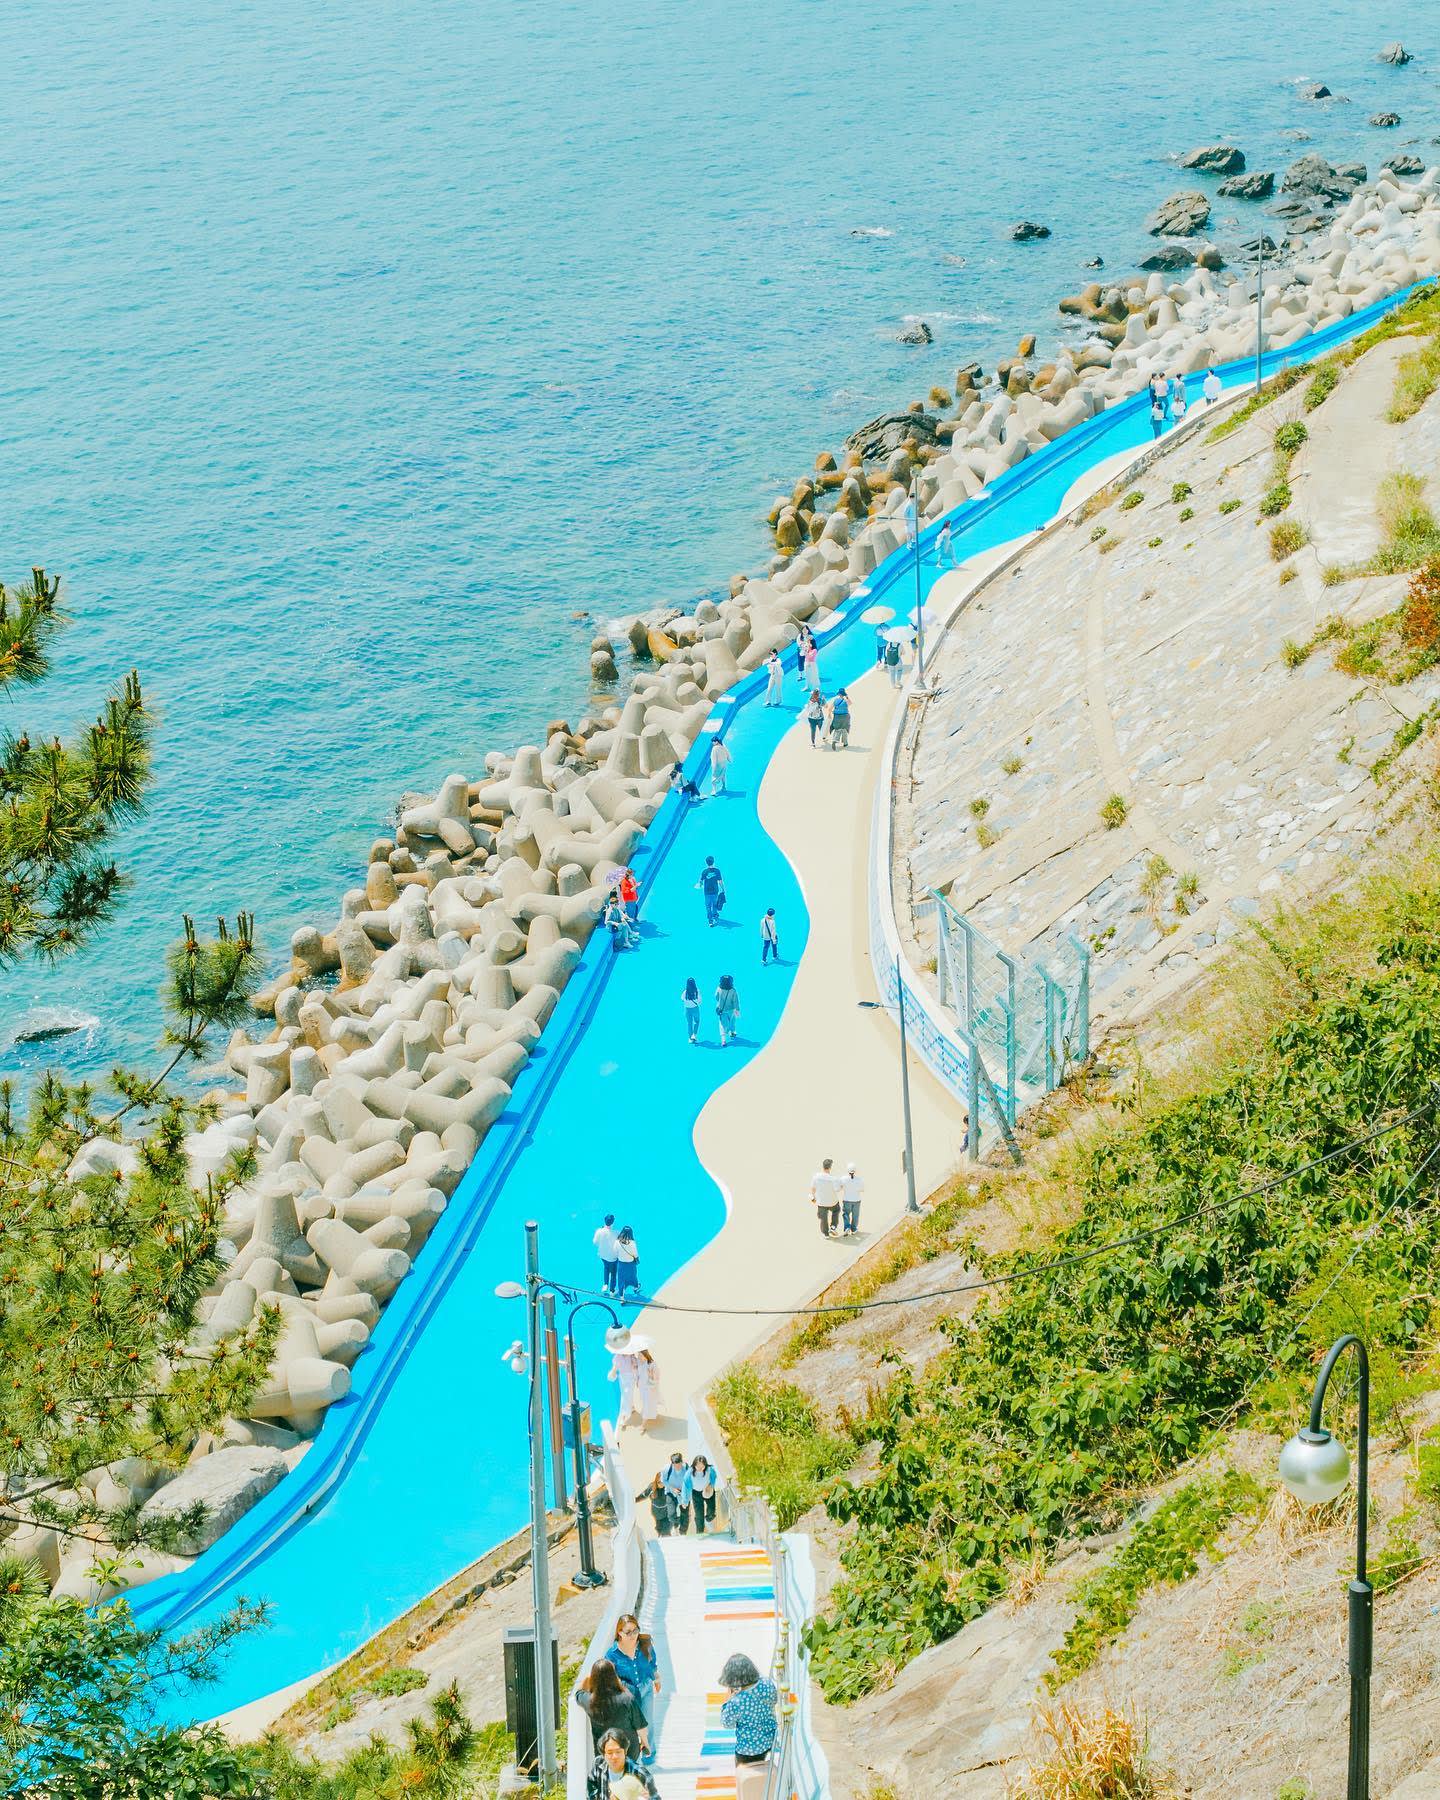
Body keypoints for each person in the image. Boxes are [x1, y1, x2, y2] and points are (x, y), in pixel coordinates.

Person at [577, 1663, 649, 1761]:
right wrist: (646, 1744)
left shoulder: (589, 1701)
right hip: (629, 1752)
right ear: (614, 1675)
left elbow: (579, 1693)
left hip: (606, 1753)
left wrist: (588, 1678)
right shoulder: (626, 1698)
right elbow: (640, 1727)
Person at [605, 1616, 661, 1738]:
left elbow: (652, 1663)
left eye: (635, 1630)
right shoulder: (612, 1654)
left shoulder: (645, 1644)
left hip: (646, 1688)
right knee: (631, 1728)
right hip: (627, 1692)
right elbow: (610, 1676)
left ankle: (649, 1750)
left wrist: (657, 1679)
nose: (633, 1635)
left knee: (648, 1724)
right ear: (620, 1632)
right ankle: (635, 1751)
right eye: (628, 1632)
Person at [718, 1653, 779, 1767]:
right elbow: (774, 1700)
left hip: (747, 1749)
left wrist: (728, 1699)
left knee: (742, 1770)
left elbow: (726, 1723)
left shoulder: (736, 1701)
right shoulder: (767, 1684)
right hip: (769, 1740)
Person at [587, 1730, 658, 1800]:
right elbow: (592, 1787)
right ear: (604, 1754)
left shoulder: (642, 1774)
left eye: (618, 1752)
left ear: (625, 1751)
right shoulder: (598, 1764)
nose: (614, 1756)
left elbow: (654, 1797)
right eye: (610, 1753)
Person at [661, 1449, 692, 1533]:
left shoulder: (687, 1468)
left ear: (682, 1462)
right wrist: (673, 1489)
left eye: (679, 1465)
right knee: (671, 1516)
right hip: (671, 1492)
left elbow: (690, 1482)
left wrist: (686, 1498)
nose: (678, 1467)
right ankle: (678, 1523)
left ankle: (683, 1532)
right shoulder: (666, 1469)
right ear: (672, 1464)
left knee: (685, 1514)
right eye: (675, 1465)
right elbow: (663, 1481)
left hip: (683, 1493)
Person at [810, 1157, 842, 1237]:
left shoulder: (816, 1177)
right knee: (836, 1210)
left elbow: (813, 1189)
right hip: (832, 1202)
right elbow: (837, 1189)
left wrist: (813, 1197)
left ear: (823, 1166)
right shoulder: (834, 1179)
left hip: (821, 1202)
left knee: (823, 1218)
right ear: (830, 1167)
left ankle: (826, 1234)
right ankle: (833, 1227)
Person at [689, 1455, 718, 1534]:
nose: (700, 1469)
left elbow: (714, 1477)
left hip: (708, 1490)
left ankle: (708, 1520)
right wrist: (685, 1499)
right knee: (699, 1515)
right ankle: (700, 1531)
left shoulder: (710, 1469)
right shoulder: (690, 1472)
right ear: (694, 1465)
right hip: (696, 1493)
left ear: (705, 1465)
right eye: (698, 1466)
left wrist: (711, 1485)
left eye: (702, 1467)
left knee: (711, 1510)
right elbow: (686, 1484)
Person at [614, 1226, 641, 1302]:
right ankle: (635, 1287)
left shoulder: (617, 1242)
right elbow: (635, 1254)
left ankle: (622, 1297)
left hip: (621, 1263)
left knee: (621, 1279)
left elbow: (615, 1251)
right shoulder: (632, 1243)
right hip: (630, 1263)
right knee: (633, 1275)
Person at [594, 1214, 620, 1295]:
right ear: (613, 1222)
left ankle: (605, 1284)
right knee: (613, 1273)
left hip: (603, 1255)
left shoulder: (599, 1231)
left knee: (606, 1267)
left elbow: (595, 1242)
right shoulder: (616, 1233)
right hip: (613, 1258)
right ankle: (612, 1290)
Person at [697, 855, 726, 927]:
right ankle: (715, 916)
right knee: (714, 904)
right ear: (713, 862)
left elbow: (700, 881)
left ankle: (710, 921)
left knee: (708, 906)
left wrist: (700, 884)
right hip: (715, 891)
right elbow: (720, 881)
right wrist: (723, 889)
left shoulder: (704, 872)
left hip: (707, 892)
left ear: (706, 863)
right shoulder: (717, 871)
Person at [715, 974, 741, 1047]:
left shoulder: (719, 989)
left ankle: (723, 1040)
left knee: (722, 1024)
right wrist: (737, 1010)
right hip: (731, 1010)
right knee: (732, 1021)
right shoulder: (733, 990)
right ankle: (732, 1032)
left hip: (722, 1009)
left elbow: (716, 997)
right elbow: (736, 1001)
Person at [841, 1162, 864, 1236]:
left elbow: (840, 1187)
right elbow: (862, 1189)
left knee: (846, 1214)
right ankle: (853, 1229)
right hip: (856, 1200)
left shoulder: (843, 1179)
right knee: (855, 1216)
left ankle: (847, 1227)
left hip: (847, 1200)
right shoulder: (859, 1179)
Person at [682, 975, 702, 1043]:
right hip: (695, 1008)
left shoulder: (685, 992)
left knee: (689, 1023)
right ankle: (694, 1035)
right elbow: (700, 1001)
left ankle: (690, 1037)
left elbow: (682, 999)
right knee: (697, 1021)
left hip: (687, 1010)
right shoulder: (697, 991)